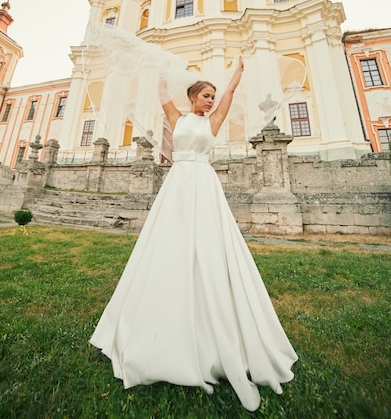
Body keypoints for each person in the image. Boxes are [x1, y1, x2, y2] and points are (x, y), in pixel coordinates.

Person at [90, 56, 297, 412]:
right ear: (193, 97)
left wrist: (236, 74)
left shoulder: (214, 120)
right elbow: (161, 96)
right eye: (205, 95)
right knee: (170, 245)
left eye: (212, 96)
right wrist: (157, 71)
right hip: (178, 184)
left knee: (210, 247)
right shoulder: (178, 118)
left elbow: (230, 93)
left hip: (203, 183)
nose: (211, 100)